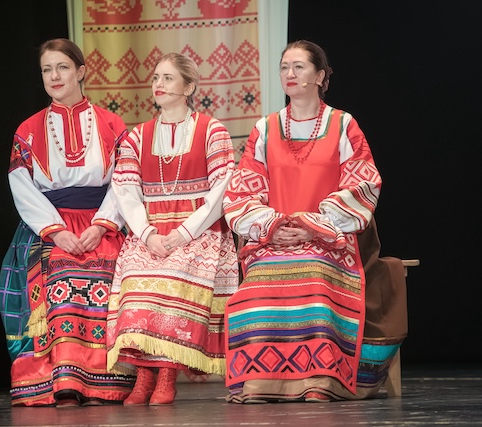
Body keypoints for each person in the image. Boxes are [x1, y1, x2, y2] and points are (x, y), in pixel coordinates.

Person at [222, 40, 408, 403]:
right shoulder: (265, 128)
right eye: (284, 67)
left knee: (313, 272)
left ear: (320, 76)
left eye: (299, 67)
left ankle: (321, 379)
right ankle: (261, 381)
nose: (289, 74)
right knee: (258, 284)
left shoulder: (342, 124)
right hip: (276, 238)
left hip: (329, 238)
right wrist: (273, 225)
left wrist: (315, 224)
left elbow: (363, 182)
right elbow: (244, 188)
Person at [0, 38, 135, 407]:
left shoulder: (111, 123)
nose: (54, 76)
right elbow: (21, 186)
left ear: (81, 71)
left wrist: (102, 225)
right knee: (58, 273)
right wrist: (56, 231)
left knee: (106, 274)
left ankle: (105, 381)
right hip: (49, 225)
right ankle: (61, 380)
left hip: (101, 222)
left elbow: (124, 181)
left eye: (62, 67)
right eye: (47, 70)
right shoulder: (28, 129)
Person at [106, 52, 239, 406]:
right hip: (151, 230)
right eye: (156, 78)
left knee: (175, 277)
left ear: (189, 87)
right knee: (137, 281)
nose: (158, 84)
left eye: (167, 78)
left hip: (199, 231)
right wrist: (147, 234)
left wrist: (185, 233)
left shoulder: (212, 131)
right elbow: (125, 190)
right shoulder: (138, 136)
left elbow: (222, 189)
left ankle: (166, 373)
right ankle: (144, 376)